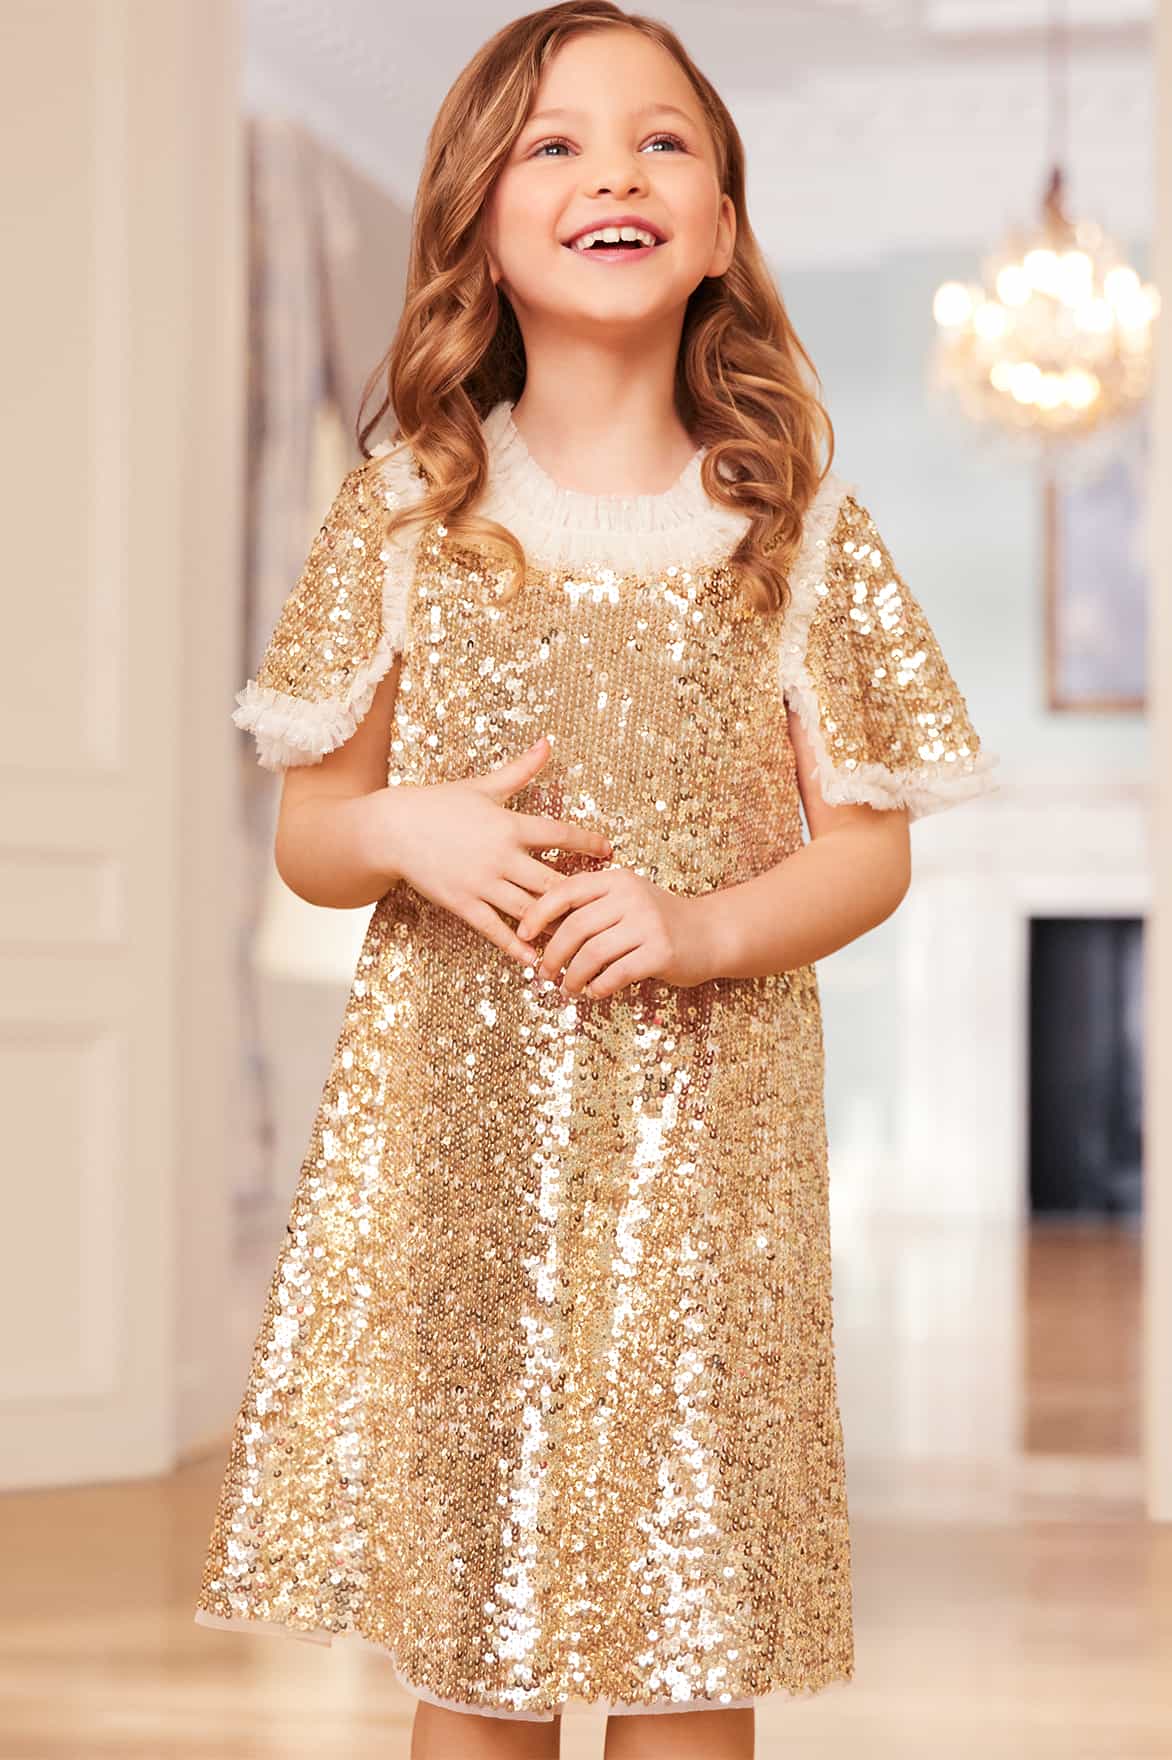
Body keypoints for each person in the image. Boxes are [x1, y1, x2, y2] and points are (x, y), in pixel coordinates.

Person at [194, 4, 999, 1757]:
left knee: (690, 1620)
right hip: (462, 1159)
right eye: (554, 145)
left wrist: (702, 926)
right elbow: (314, 836)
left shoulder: (789, 521)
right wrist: (411, 830)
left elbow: (870, 847)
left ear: (719, 228)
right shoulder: (406, 510)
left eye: (661, 143)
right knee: (477, 1639)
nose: (613, 174)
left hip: (711, 1159)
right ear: (481, 220)